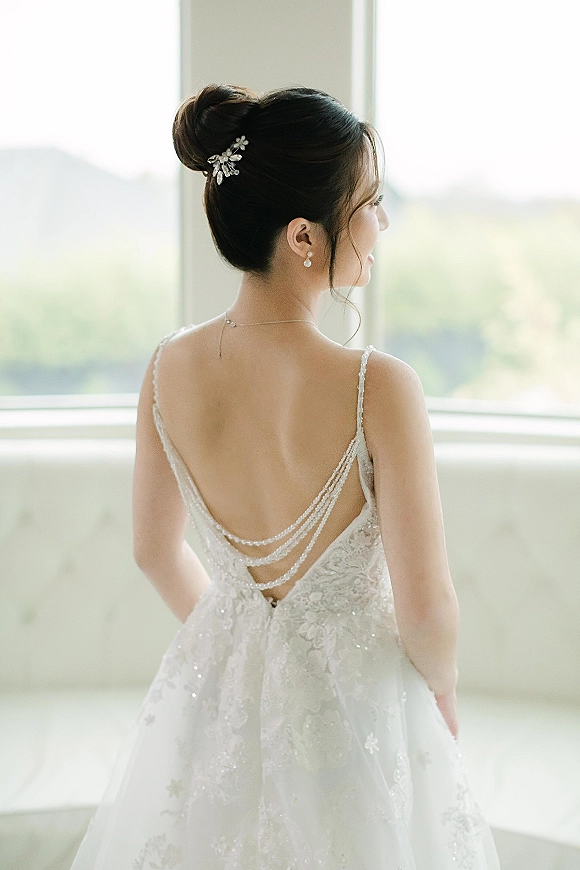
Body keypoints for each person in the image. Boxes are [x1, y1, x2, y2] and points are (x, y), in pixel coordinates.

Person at [69, 83, 501, 869]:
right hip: (356, 711)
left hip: (218, 703)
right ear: (305, 236)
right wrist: (440, 694)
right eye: (369, 202)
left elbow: (152, 550)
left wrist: (249, 644)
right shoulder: (380, 388)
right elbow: (428, 613)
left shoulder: (167, 370)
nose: (383, 222)